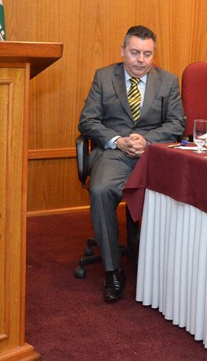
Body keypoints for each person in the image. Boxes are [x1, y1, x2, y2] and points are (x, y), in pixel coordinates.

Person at [78, 25, 185, 303]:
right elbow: (88, 121)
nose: (141, 60)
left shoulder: (168, 81)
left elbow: (177, 123)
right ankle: (113, 271)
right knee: (101, 190)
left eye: (147, 54)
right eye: (135, 52)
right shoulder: (104, 77)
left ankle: (166, 268)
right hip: (114, 152)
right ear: (122, 50)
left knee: (180, 191)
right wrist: (117, 140)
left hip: (152, 155)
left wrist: (147, 140)